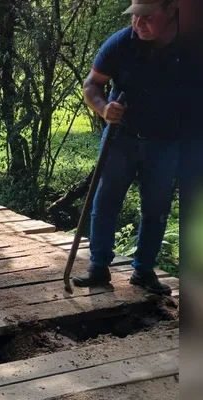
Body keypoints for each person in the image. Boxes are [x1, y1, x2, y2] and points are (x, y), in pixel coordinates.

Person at [73, 0, 181, 295]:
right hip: (120, 137)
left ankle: (143, 271)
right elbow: (91, 85)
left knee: (156, 209)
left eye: (147, 16)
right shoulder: (121, 44)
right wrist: (103, 107)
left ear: (171, 10)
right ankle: (98, 267)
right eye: (135, 16)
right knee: (106, 200)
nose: (138, 24)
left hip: (166, 142)